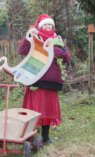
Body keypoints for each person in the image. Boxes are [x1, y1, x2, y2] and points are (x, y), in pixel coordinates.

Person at [19, 14, 71, 145]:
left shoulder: (57, 38)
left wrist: (58, 52)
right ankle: (29, 137)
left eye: (50, 24)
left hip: (52, 81)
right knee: (33, 110)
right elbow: (22, 50)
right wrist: (29, 36)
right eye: (45, 25)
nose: (48, 27)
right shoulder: (36, 37)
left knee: (48, 110)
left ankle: (45, 138)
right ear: (40, 26)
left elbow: (68, 56)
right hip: (36, 79)